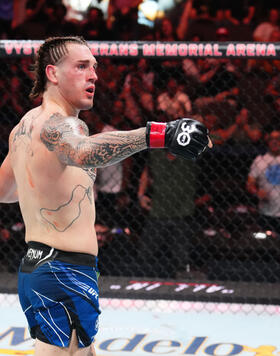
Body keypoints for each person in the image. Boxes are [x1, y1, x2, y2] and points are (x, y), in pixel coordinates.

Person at [0, 36, 211, 356]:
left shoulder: (23, 127)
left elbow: (3, 192)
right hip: (62, 269)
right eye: (82, 66)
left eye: (94, 67)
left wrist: (40, 188)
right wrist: (158, 134)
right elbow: (82, 152)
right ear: (53, 74)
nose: (94, 75)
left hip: (45, 265)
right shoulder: (62, 126)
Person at [247, 130, 280, 234]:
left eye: (278, 139)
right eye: (271, 139)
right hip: (265, 212)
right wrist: (256, 192)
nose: (274, 142)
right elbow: (250, 183)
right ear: (268, 141)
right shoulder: (259, 160)